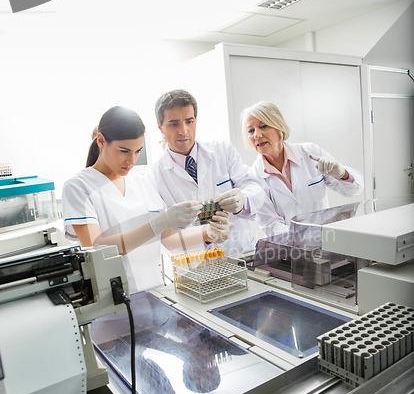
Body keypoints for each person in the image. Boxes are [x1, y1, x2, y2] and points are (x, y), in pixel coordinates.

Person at [62, 105, 231, 294]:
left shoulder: (141, 183)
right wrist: (158, 223)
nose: (131, 161)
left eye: (137, 151)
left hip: (157, 294)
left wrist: (208, 233)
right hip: (113, 303)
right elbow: (96, 248)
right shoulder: (78, 187)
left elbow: (169, 240)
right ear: (101, 141)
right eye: (124, 151)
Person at [147, 89, 265, 257]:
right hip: (196, 265)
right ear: (160, 127)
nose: (184, 131)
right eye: (174, 124)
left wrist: (243, 200)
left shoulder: (222, 151)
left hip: (239, 253)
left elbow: (254, 186)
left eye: (189, 121)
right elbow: (167, 237)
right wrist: (207, 234)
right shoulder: (154, 176)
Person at [241, 101, 364, 237]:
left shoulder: (309, 152)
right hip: (289, 249)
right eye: (251, 130)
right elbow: (271, 225)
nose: (256, 135)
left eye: (263, 126)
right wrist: (306, 236)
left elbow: (354, 190)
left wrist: (342, 174)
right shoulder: (254, 177)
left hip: (326, 240)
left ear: (279, 127)